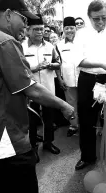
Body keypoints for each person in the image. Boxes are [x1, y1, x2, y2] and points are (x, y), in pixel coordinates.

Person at [0, 0, 75, 193]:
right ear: (8, 14)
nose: (25, 25)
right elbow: (31, 88)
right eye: (23, 19)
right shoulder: (4, 42)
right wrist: (65, 106)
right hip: (4, 132)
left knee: (5, 185)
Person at [73, 0, 106, 174]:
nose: (101, 22)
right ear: (89, 17)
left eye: (104, 17)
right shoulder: (81, 34)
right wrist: (103, 64)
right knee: (87, 120)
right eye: (96, 19)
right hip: (87, 80)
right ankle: (87, 156)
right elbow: (79, 60)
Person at [22, 14, 62, 158]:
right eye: (36, 29)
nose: (39, 32)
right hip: (30, 91)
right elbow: (19, 69)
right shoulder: (21, 47)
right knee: (31, 121)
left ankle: (48, 143)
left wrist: (50, 65)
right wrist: (36, 68)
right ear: (28, 30)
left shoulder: (50, 46)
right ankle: (32, 146)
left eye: (41, 29)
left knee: (49, 118)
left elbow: (58, 63)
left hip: (48, 90)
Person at [56, 16, 80, 137]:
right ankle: (74, 125)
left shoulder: (83, 43)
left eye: (72, 28)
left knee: (86, 102)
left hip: (83, 79)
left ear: (76, 28)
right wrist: (60, 79)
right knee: (71, 104)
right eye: (67, 28)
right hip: (68, 80)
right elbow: (57, 64)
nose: (69, 30)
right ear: (63, 29)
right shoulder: (59, 45)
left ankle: (88, 125)